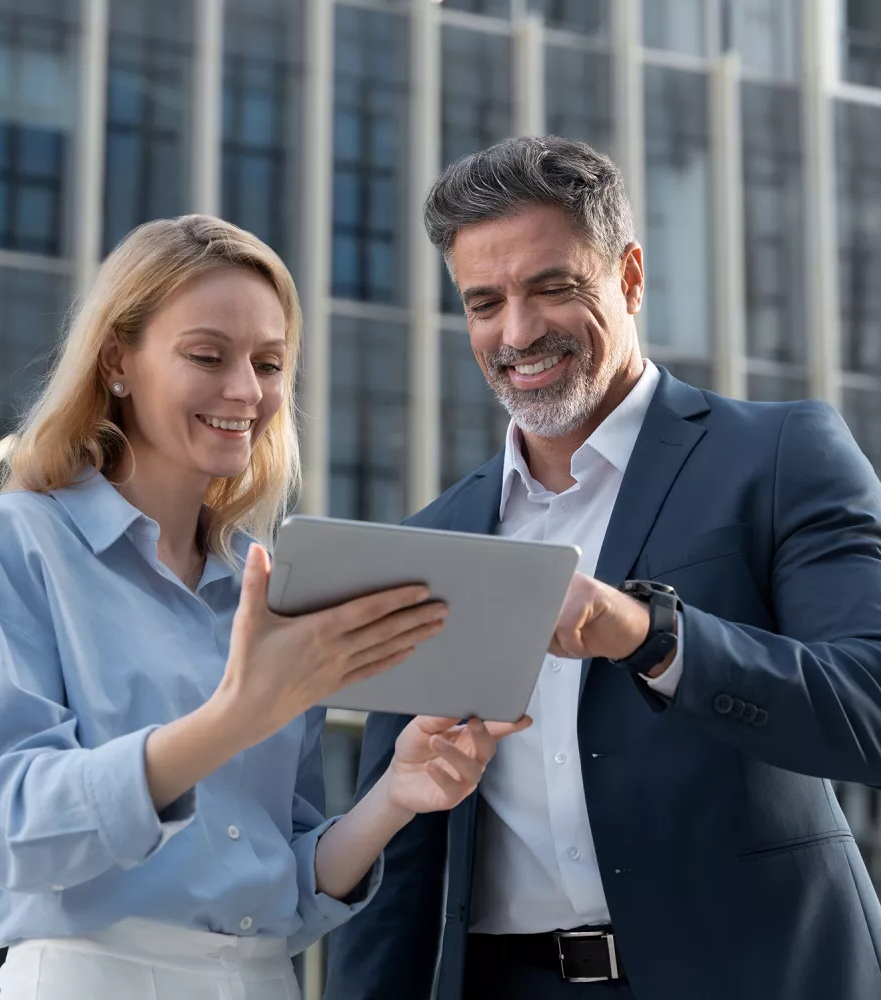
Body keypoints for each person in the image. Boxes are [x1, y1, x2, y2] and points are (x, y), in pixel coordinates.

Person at [324, 136, 881, 1000]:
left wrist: (648, 635)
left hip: (758, 975)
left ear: (628, 277)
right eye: (484, 302)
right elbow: (406, 858)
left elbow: (869, 705)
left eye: (552, 287)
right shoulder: (436, 536)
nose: (517, 332)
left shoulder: (779, 455)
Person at [0, 215, 528, 1000]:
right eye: (207, 356)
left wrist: (397, 796)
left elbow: (283, 883)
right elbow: (8, 830)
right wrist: (234, 717)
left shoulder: (261, 587)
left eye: (270, 364)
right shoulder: (18, 543)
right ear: (117, 361)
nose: (247, 391)